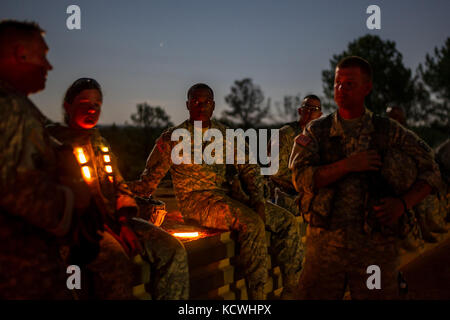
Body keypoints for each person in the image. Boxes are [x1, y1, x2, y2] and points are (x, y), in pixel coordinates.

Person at [129, 83, 303, 300]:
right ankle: (258, 297)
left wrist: (258, 200)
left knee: (286, 221)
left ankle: (292, 291)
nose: (201, 106)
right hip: (195, 201)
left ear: (213, 105)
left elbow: (249, 167)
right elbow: (147, 183)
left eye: (206, 102)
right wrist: (120, 187)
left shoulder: (225, 134)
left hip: (226, 196)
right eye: (196, 102)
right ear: (187, 105)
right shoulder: (173, 138)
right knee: (252, 223)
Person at [289, 56, 442, 299]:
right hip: (325, 246)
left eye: (349, 84)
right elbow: (301, 178)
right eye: (337, 83)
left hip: (375, 247)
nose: (341, 89)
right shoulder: (317, 131)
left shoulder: (388, 130)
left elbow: (431, 169)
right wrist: (348, 165)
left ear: (367, 88)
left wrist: (402, 204)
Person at [47, 78, 189, 299]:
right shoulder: (51, 142)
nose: (91, 109)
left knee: (173, 250)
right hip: (78, 228)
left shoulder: (99, 143)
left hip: (116, 219)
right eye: (84, 101)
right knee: (116, 265)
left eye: (97, 104)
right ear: (68, 106)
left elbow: (120, 184)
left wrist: (124, 218)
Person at [0, 20, 86, 299]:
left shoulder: (18, 105)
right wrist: (74, 201)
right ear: (20, 54)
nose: (48, 66)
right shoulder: (7, 106)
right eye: (43, 55)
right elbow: (12, 185)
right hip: (19, 272)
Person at [269, 95, 322, 216]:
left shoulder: (318, 138)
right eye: (307, 107)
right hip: (285, 193)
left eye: (315, 109)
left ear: (320, 115)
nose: (310, 112)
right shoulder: (285, 134)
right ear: (300, 111)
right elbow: (275, 171)